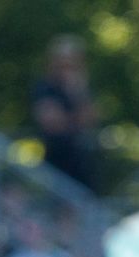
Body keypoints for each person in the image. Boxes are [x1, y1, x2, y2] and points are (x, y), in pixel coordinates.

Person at [33, 36, 99, 191]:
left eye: (73, 63)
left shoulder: (82, 89)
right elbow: (52, 123)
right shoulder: (45, 87)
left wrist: (77, 93)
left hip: (84, 161)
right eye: (64, 62)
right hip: (58, 159)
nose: (68, 68)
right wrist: (76, 119)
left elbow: (91, 119)